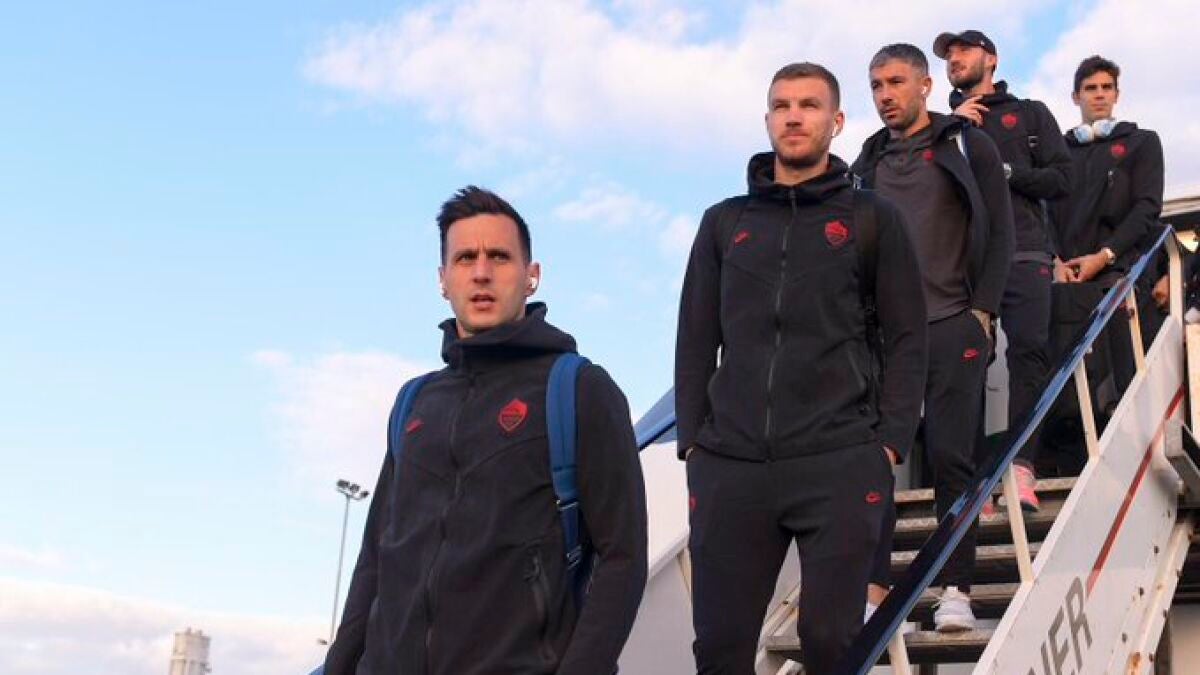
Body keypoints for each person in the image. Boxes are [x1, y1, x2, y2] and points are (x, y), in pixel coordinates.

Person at [323, 186, 648, 675]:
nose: (481, 272)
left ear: (531, 275)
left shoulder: (579, 389)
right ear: (443, 279)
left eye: (499, 256)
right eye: (464, 258)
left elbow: (623, 556)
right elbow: (374, 560)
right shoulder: (413, 402)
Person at [676, 62, 927, 674]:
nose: (794, 116)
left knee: (830, 639)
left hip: (839, 457)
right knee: (720, 648)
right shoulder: (724, 222)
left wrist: (889, 443)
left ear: (836, 122)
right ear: (767, 119)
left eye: (809, 105)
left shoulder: (872, 218)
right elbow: (695, 337)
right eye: (782, 105)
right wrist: (694, 445)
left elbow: (907, 336)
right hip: (732, 463)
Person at [852, 43, 1014, 633]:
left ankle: (956, 591)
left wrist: (983, 313)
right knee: (873, 462)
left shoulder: (967, 143)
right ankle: (874, 594)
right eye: (876, 85)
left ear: (925, 85)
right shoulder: (865, 165)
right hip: (886, 336)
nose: (885, 95)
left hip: (952, 322)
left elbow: (1001, 233)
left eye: (896, 82)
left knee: (951, 458)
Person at [936, 29, 1073, 511]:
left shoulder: (1029, 113)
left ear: (991, 59)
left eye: (964, 50)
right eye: (949, 54)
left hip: (1025, 251)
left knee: (1029, 354)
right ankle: (974, 480)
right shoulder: (938, 126)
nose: (954, 58)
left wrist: (1008, 172)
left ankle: (1021, 465)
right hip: (961, 263)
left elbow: (1063, 178)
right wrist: (949, 131)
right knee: (964, 366)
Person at [1046, 55, 1165, 441]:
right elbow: (1042, 212)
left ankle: (1126, 430)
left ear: (1116, 94)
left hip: (1118, 272)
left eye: (1106, 87)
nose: (1099, 95)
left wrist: (1105, 256)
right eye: (1090, 88)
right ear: (1075, 96)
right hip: (1065, 279)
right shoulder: (1058, 154)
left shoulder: (1142, 143)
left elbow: (1147, 208)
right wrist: (1055, 260)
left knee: (1119, 369)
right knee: (1063, 375)